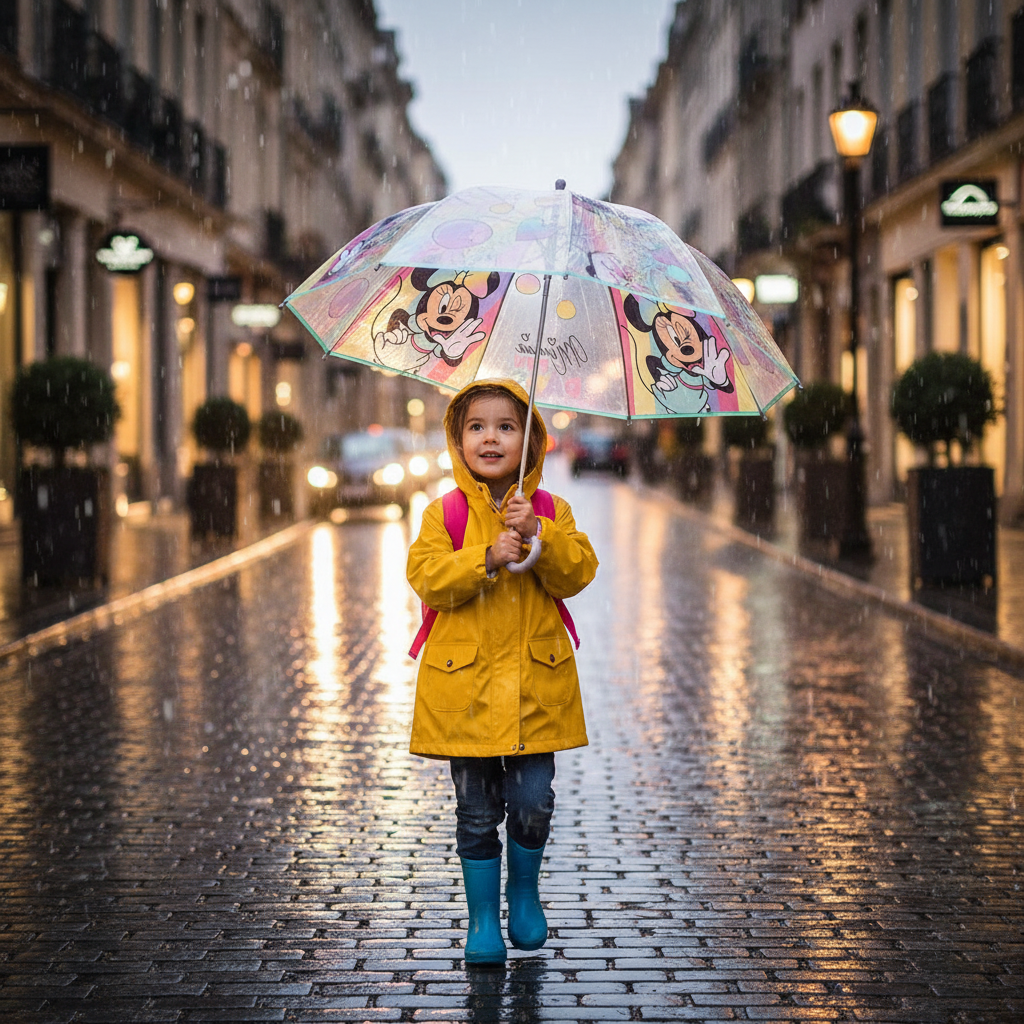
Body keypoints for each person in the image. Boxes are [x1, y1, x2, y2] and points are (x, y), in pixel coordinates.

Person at [406, 378, 598, 966]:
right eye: (478, 427)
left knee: (535, 800)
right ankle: (483, 920)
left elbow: (577, 572)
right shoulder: (445, 513)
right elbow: (427, 577)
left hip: (537, 687)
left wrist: (538, 535)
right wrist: (485, 557)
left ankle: (524, 893)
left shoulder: (549, 510)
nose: (491, 437)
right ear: (458, 440)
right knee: (477, 811)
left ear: (529, 440)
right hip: (464, 691)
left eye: (506, 427)